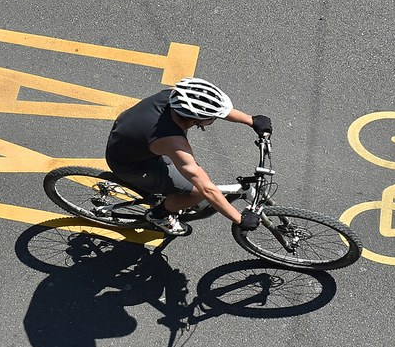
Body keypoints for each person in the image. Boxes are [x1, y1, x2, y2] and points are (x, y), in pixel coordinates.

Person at [105, 77, 273, 235]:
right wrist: (239, 219)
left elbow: (209, 107)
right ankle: (159, 215)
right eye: (212, 118)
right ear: (194, 120)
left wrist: (251, 120)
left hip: (126, 135)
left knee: (191, 174)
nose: (216, 119)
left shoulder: (173, 97)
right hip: (131, 165)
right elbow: (206, 188)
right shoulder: (174, 142)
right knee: (196, 192)